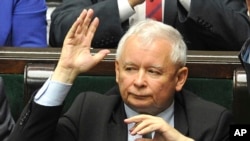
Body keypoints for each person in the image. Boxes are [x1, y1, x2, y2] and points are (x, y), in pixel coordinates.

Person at [9, 9, 232, 141]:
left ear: (180, 78)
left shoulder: (211, 121)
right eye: (130, 69)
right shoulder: (89, 111)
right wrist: (65, 72)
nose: (139, 82)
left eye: (153, 72)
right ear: (117, 71)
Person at [49, 0, 250, 51]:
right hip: (110, 92)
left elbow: (242, 37)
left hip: (192, 94)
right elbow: (61, 31)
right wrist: (125, 3)